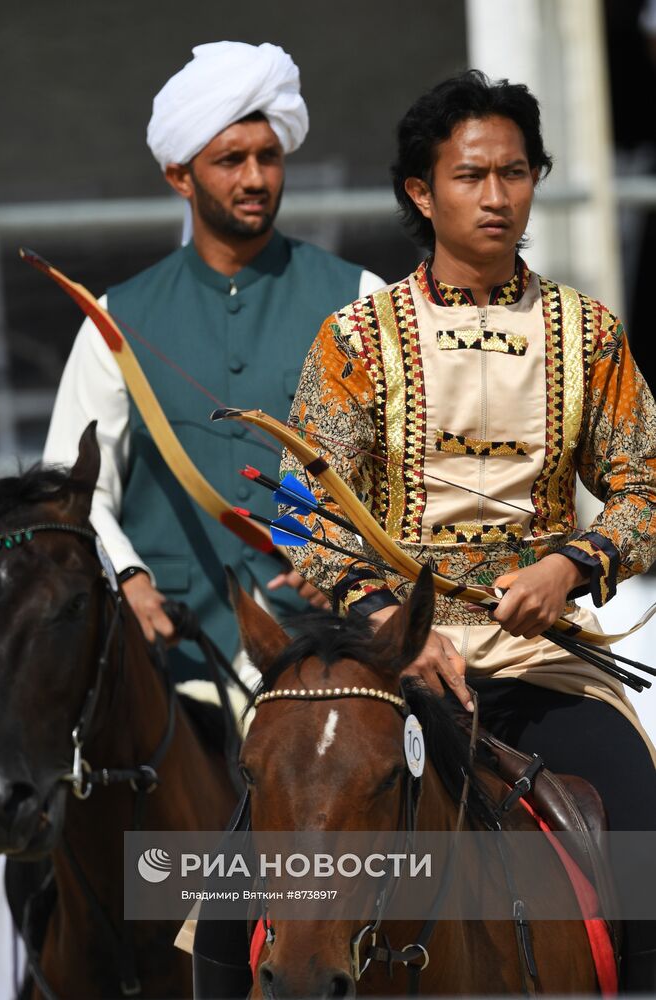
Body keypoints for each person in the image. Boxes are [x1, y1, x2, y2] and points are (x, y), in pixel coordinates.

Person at [282, 71, 656, 992]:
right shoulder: (355, 340)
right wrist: (388, 627)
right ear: (421, 191)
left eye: (517, 172)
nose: (498, 197)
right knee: (227, 900)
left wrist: (573, 565)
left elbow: (645, 488)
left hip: (545, 662)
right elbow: (303, 514)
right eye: (471, 175)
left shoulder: (591, 333)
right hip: (387, 665)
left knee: (648, 848)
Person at [43, 41, 383, 681]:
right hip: (170, 656)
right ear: (180, 175)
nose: (255, 178)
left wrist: (354, 562)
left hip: (328, 659)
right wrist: (130, 578)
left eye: (269, 158)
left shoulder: (361, 300)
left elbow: (413, 476)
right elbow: (73, 486)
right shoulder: (117, 318)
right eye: (231, 161)